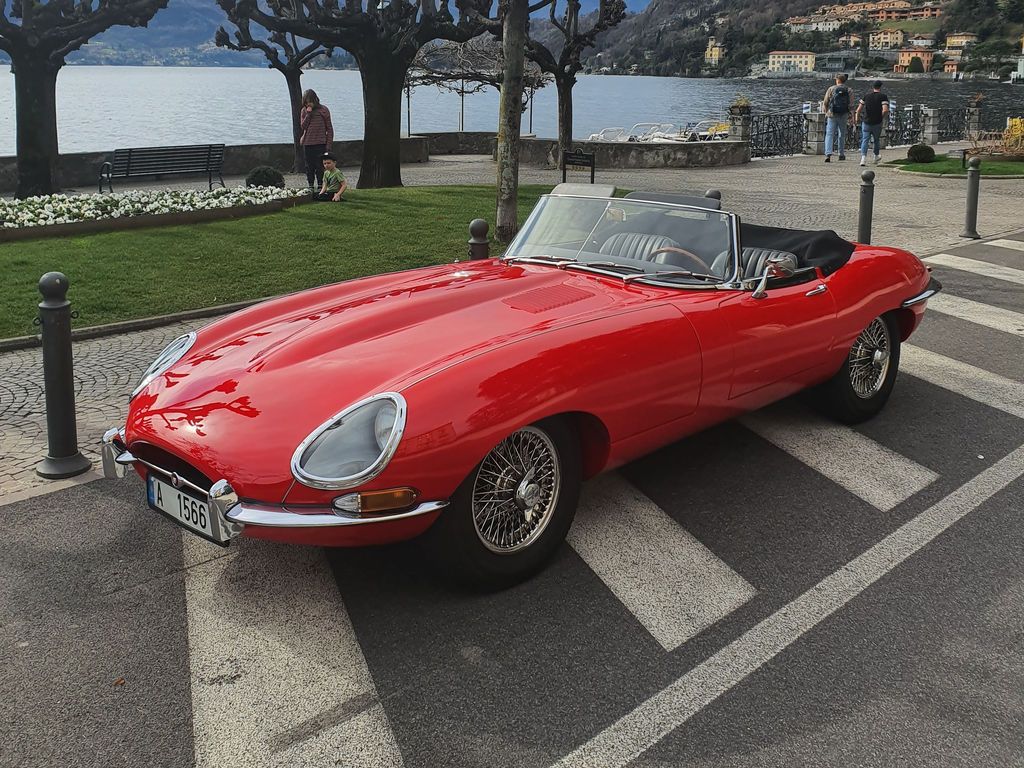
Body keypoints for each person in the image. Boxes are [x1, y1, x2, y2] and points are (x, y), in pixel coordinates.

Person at [299, 89, 334, 190]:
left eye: (310, 101)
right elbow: (303, 126)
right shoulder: (304, 111)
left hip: (320, 143)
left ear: (315, 100)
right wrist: (308, 114)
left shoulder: (323, 110)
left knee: (319, 166)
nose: (308, 104)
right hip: (308, 143)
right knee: (309, 167)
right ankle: (310, 185)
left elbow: (329, 128)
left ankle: (320, 186)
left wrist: (328, 145)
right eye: (306, 102)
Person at [854, 81, 890, 166]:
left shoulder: (866, 96)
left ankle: (863, 159)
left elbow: (858, 110)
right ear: (880, 87)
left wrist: (857, 118)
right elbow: (885, 110)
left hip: (866, 121)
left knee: (865, 140)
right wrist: (881, 117)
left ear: (873, 87)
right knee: (876, 140)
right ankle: (876, 156)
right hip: (877, 122)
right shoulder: (883, 96)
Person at [821, 73, 852, 163]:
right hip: (844, 114)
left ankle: (828, 154)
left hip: (832, 114)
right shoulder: (849, 90)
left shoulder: (831, 89)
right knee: (842, 134)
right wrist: (851, 115)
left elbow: (825, 102)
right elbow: (851, 104)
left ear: (837, 80)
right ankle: (841, 154)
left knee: (829, 134)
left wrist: (826, 112)